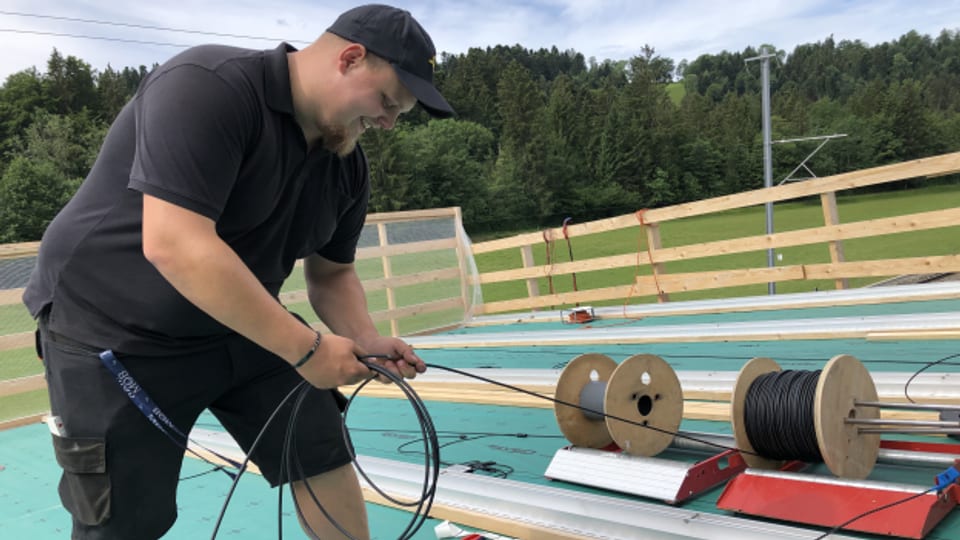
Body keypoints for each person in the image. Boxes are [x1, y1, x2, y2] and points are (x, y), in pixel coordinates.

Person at [23, 3, 454, 539]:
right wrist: (308, 350)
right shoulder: (207, 86)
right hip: (111, 329)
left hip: (237, 319)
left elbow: (333, 275)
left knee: (317, 444)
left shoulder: (346, 165)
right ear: (349, 58)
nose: (388, 122)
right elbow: (176, 245)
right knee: (123, 517)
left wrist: (362, 338)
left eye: (400, 113)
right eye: (388, 101)